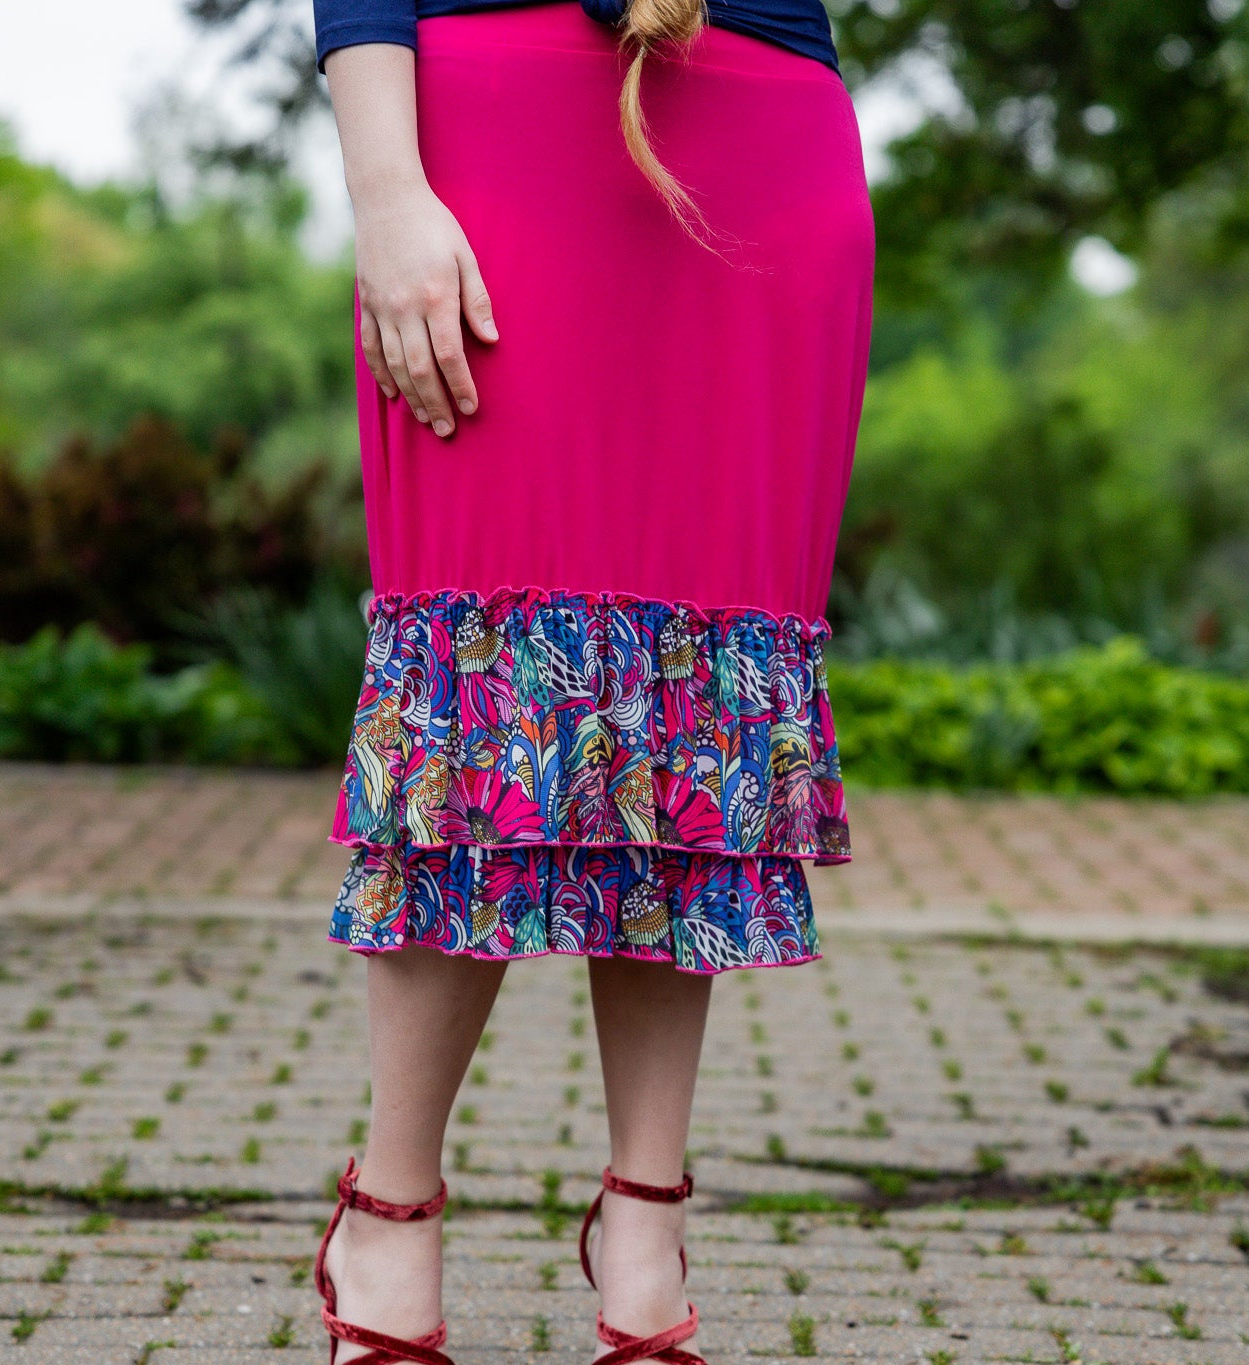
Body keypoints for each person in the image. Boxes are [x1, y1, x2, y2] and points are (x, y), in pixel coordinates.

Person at [309, 0, 874, 1357]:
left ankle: (644, 1217)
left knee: (694, 709)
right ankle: (388, 1210)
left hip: (758, 131)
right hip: (492, 117)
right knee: (482, 698)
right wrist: (386, 191)